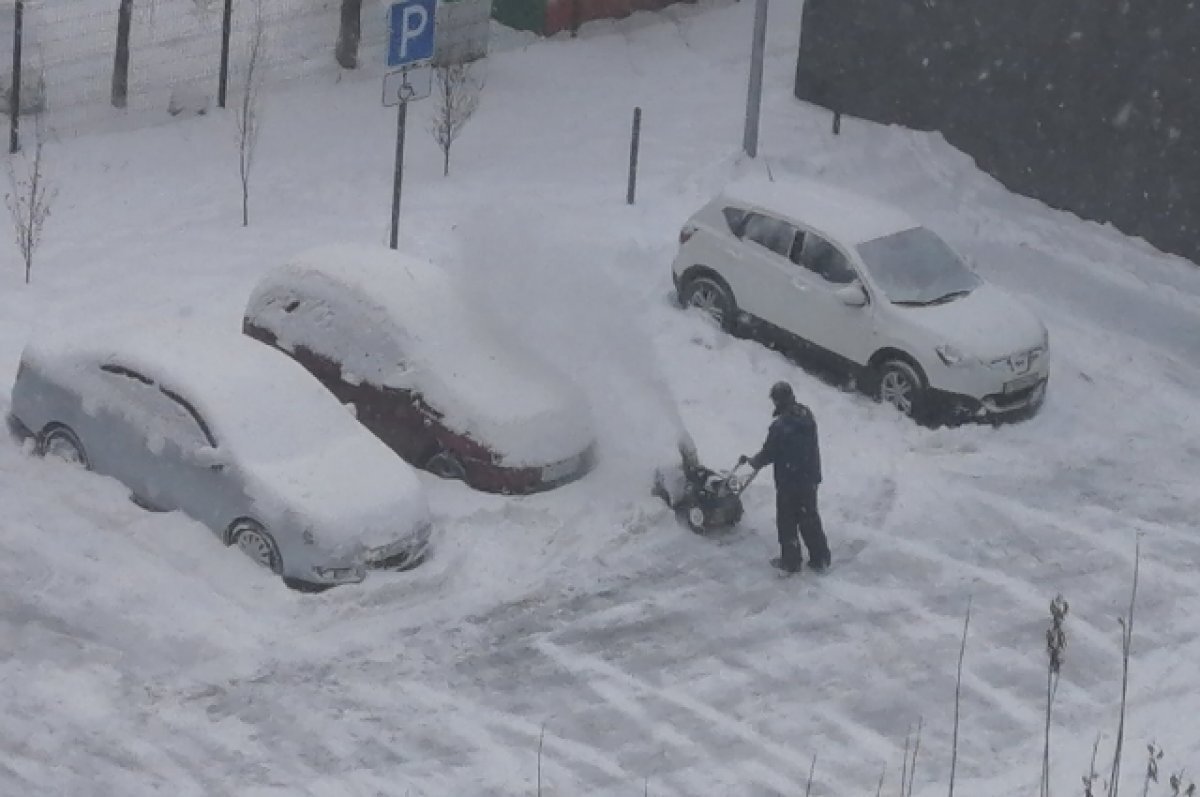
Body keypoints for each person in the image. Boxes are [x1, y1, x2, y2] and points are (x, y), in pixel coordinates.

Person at [739, 381, 831, 574]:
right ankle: (820, 557)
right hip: (809, 477)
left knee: (787, 521)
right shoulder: (807, 415)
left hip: (789, 482)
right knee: (809, 517)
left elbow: (768, 453)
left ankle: (791, 561)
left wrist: (754, 462)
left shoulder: (780, 427)